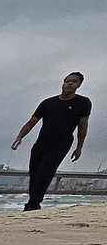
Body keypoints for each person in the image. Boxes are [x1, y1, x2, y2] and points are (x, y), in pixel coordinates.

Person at [12, 72, 91, 210]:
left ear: (79, 85)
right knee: (34, 174)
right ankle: (34, 203)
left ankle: (32, 204)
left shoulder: (83, 103)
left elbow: (83, 126)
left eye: (74, 81)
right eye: (68, 81)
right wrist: (20, 137)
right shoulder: (48, 103)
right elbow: (32, 122)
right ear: (63, 83)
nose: (70, 83)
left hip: (62, 143)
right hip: (42, 142)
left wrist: (79, 147)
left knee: (45, 172)